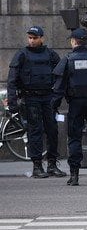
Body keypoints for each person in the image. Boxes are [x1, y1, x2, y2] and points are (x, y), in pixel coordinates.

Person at [50, 28, 87, 186]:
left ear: (73, 41)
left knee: (75, 138)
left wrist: (53, 106)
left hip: (76, 104)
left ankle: (74, 175)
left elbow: (59, 87)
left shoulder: (68, 59)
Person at [6, 26, 66, 178]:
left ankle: (52, 164)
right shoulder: (21, 55)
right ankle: (37, 166)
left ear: (41, 38)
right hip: (30, 98)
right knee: (35, 131)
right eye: (30, 38)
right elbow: (12, 81)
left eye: (34, 38)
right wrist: (12, 104)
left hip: (48, 97)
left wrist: (57, 96)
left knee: (52, 130)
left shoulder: (51, 54)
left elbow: (61, 76)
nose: (31, 41)